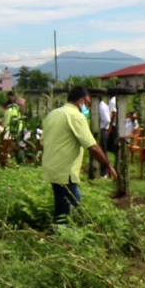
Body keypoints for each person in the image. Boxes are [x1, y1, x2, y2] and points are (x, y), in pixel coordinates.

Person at [42, 87, 118, 224]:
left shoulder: (53, 113)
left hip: (51, 167)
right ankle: (59, 234)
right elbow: (93, 146)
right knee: (72, 200)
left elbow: (42, 141)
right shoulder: (76, 116)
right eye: (88, 104)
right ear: (81, 101)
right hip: (65, 170)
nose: (88, 107)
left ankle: (57, 232)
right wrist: (108, 166)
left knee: (61, 204)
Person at [98, 98, 112, 177]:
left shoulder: (101, 106)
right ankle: (103, 171)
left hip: (104, 131)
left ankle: (104, 172)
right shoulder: (103, 105)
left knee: (102, 151)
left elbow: (107, 119)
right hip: (104, 130)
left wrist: (101, 128)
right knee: (103, 150)